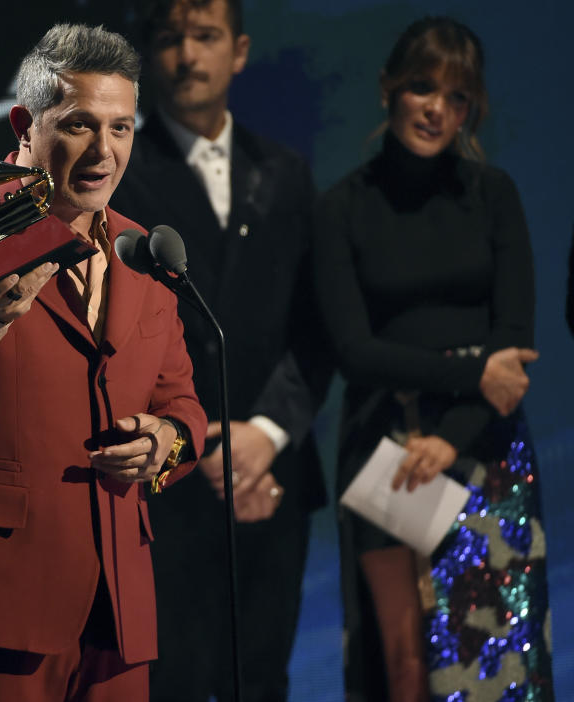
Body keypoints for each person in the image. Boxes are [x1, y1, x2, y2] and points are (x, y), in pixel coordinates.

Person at [0, 24, 207, 702]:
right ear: (24, 123)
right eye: (80, 125)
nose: (103, 152)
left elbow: (183, 406)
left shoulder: (142, 252)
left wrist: (167, 443)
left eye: (121, 128)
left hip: (116, 610)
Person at [313, 16, 554, 702]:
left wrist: (452, 439)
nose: (436, 110)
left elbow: (514, 347)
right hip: (384, 451)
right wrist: (473, 371)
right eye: (423, 88)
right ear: (390, 87)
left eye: (457, 98)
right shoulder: (342, 209)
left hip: (485, 445)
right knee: (402, 668)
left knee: (496, 665)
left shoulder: (493, 195)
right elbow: (356, 352)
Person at [110, 1, 331, 700]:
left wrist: (264, 436)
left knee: (262, 681)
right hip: (168, 485)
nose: (187, 56)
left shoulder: (288, 174)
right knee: (172, 683)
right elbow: (107, 336)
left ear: (238, 51)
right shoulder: (117, 174)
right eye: (170, 39)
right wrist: (197, 441)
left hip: (272, 484)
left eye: (204, 37)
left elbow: (318, 328)